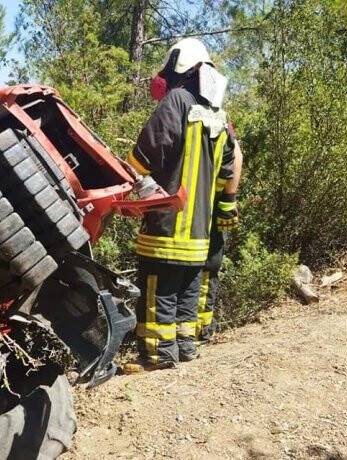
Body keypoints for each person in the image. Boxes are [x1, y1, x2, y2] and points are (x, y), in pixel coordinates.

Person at [126, 38, 235, 368]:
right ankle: (185, 349)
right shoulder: (218, 115)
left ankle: (158, 356)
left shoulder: (177, 101)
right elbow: (227, 170)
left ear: (180, 66)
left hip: (166, 229)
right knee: (187, 294)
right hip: (198, 236)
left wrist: (134, 179)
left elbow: (142, 159)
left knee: (158, 294)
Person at [197, 130, 242, 342]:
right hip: (199, 204)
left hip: (211, 205)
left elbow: (236, 154)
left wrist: (228, 200)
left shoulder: (218, 121)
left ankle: (202, 329)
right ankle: (196, 331)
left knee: (208, 266)